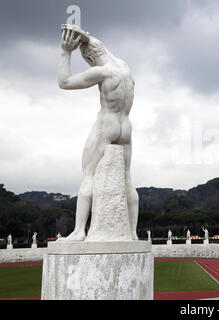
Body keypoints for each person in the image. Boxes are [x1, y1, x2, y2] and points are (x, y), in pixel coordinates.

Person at [57, 24, 138, 241]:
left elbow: (64, 82)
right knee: (128, 178)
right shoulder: (124, 67)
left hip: (107, 123)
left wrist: (66, 52)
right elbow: (100, 49)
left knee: (89, 175)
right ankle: (132, 233)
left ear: (90, 60)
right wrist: (87, 39)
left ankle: (79, 231)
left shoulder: (102, 71)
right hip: (125, 127)